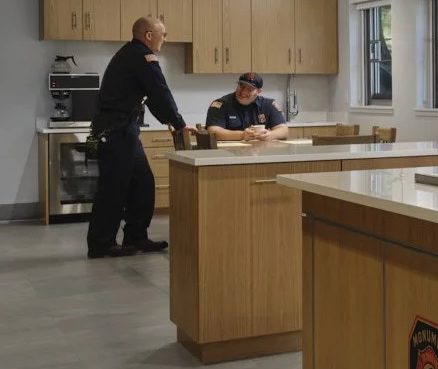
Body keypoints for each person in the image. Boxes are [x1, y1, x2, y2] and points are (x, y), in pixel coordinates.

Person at [87, 17, 193, 259]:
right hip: (115, 132)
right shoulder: (142, 56)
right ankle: (100, 243)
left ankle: (136, 236)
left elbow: (152, 96)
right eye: (162, 34)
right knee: (113, 188)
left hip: (124, 130)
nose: (164, 39)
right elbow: (159, 91)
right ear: (148, 35)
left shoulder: (132, 54)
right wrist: (178, 124)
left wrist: (170, 121)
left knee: (142, 183)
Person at [205, 73, 289, 142]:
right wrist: (242, 135)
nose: (243, 92)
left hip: (260, 153)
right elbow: (213, 132)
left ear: (258, 91)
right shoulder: (221, 104)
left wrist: (270, 135)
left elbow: (284, 130)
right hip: (229, 154)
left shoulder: (268, 104)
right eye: (241, 86)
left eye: (249, 89)